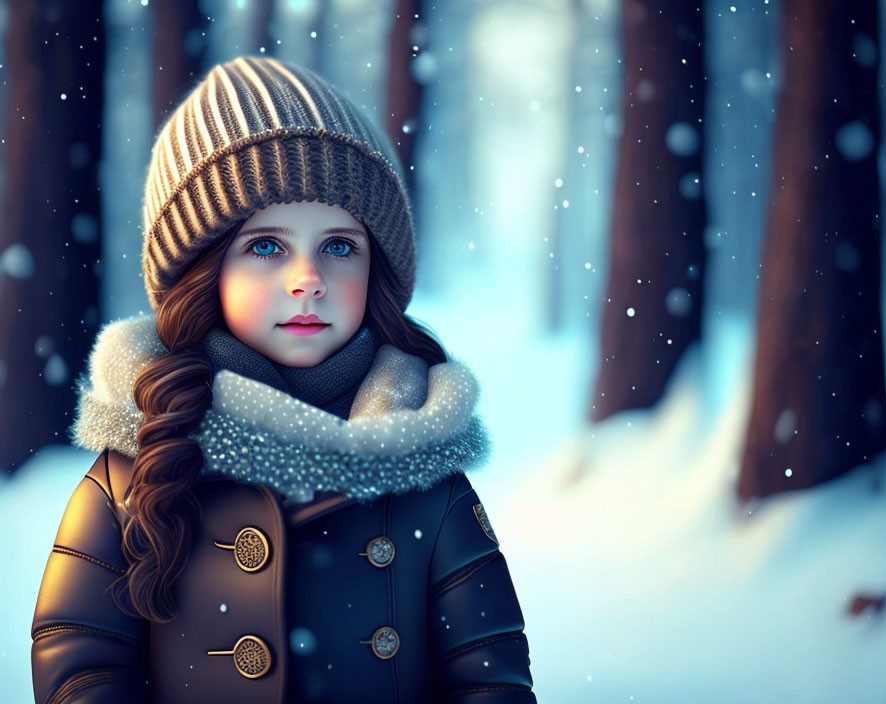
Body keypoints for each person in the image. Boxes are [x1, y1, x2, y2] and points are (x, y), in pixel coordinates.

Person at [30, 55, 536, 703]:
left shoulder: (420, 472)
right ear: (201, 274)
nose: (309, 279)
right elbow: (80, 659)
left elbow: (488, 676)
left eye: (339, 245)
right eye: (266, 246)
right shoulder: (137, 460)